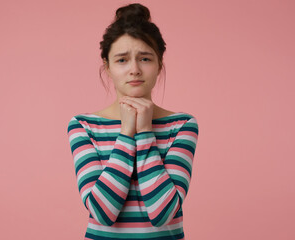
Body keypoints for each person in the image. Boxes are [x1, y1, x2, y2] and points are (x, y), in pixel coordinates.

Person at [67, 3, 199, 240]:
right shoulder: (83, 126)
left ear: (159, 65)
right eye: (122, 60)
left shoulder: (182, 125)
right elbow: (102, 212)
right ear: (107, 67)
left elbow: (163, 213)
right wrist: (127, 133)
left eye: (145, 59)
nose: (135, 70)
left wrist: (145, 131)